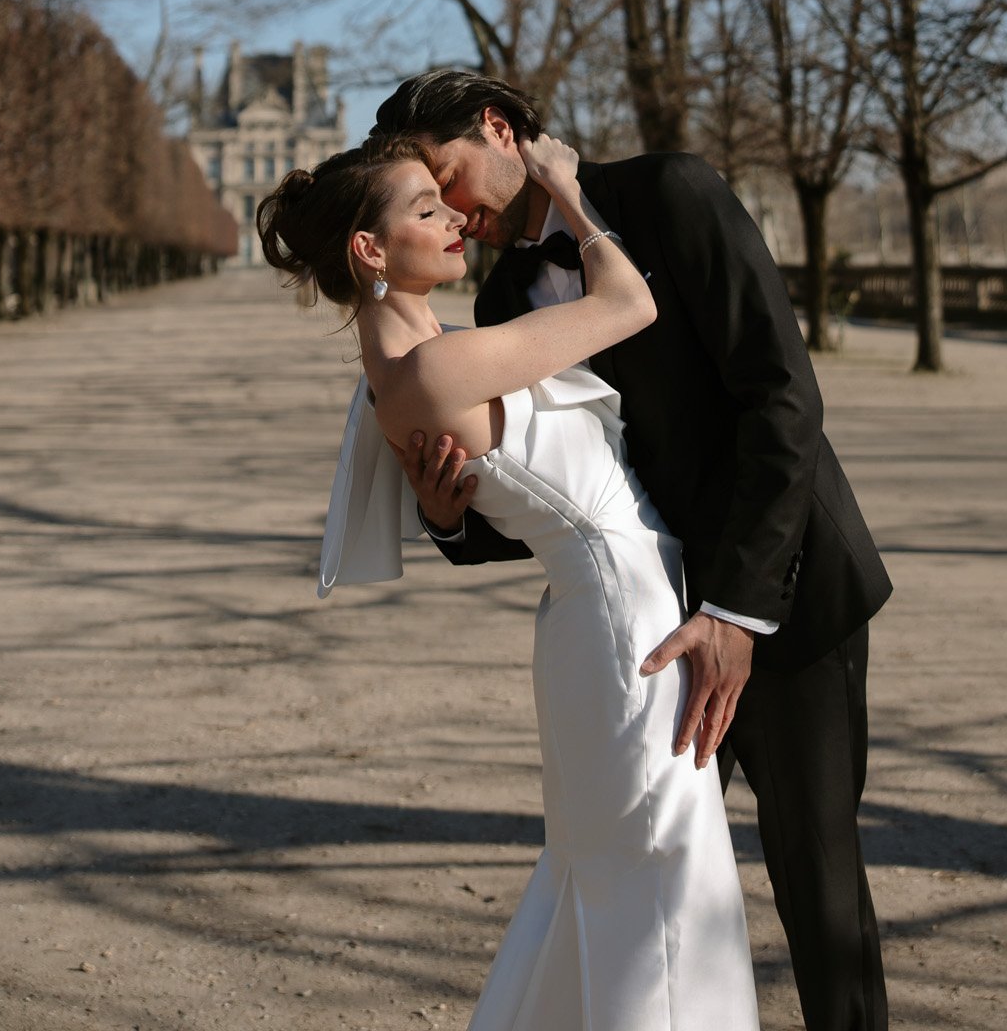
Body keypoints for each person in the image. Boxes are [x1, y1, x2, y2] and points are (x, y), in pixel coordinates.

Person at [373, 70, 893, 1031]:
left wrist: (738, 610)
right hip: (646, 640)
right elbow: (569, 498)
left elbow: (781, 400)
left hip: (781, 597)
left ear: (499, 128)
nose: (449, 209)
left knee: (818, 890)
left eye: (448, 176)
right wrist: (450, 515)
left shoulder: (671, 194)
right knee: (647, 882)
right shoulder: (505, 302)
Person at [258, 131, 761, 1031]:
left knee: (620, 877)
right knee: (659, 887)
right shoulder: (442, 365)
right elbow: (629, 301)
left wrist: (450, 517)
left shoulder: (422, 361)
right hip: (625, 626)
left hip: (605, 619)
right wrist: (566, 191)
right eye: (424, 209)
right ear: (368, 252)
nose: (454, 216)